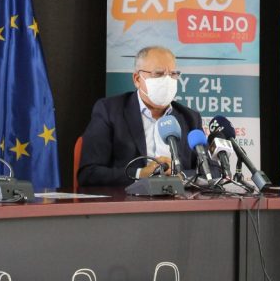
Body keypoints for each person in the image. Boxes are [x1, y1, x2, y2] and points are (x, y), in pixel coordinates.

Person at [77, 46, 201, 187]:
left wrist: (181, 176)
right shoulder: (109, 111)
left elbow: (212, 171)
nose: (167, 81)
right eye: (158, 74)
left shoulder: (190, 118)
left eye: (173, 74)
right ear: (137, 79)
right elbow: (89, 174)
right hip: (128, 199)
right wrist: (140, 174)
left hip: (178, 198)